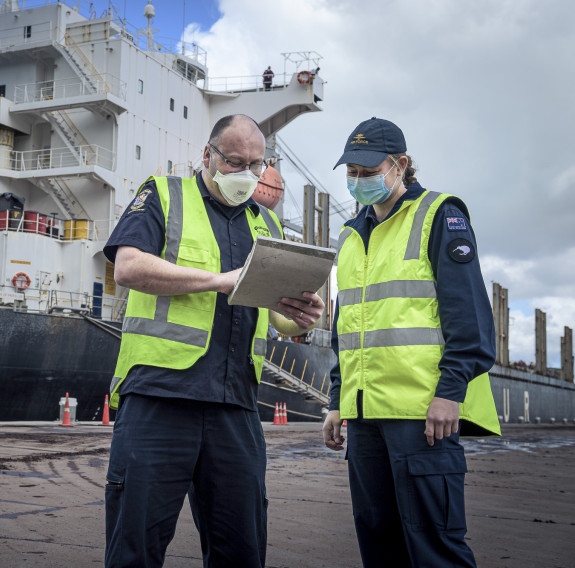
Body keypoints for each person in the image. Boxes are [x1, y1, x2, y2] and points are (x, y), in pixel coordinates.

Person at [104, 113, 324, 568]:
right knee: (135, 551)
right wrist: (217, 280)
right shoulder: (164, 194)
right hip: (160, 397)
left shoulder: (267, 226)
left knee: (241, 552)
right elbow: (127, 267)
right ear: (208, 155)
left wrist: (301, 318)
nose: (246, 174)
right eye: (234, 162)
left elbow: (276, 315)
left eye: (257, 165)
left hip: (235, 405)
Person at [322, 117, 501, 568]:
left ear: (400, 165)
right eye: (352, 172)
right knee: (378, 542)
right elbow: (349, 328)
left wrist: (449, 393)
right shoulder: (350, 233)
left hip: (422, 416)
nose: (359, 180)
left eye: (368, 171)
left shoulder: (440, 215)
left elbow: (470, 318)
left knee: (434, 547)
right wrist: (336, 399)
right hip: (365, 417)